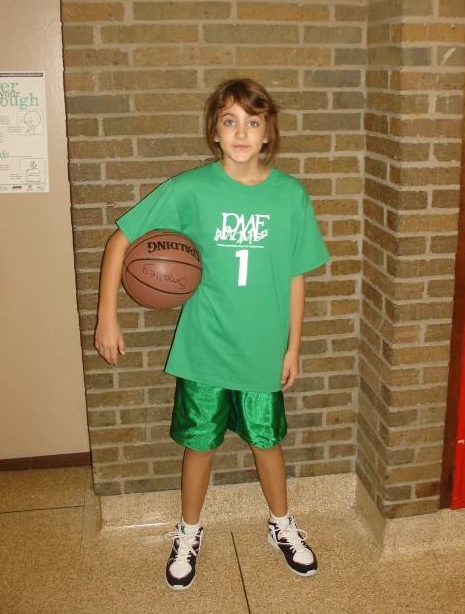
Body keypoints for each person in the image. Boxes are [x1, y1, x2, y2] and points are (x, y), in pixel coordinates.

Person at [94, 78, 330, 591]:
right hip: (204, 349)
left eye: (252, 121)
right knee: (199, 446)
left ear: (268, 133)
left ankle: (281, 525)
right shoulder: (192, 188)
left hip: (262, 351)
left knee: (266, 442)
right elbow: (121, 240)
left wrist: (293, 345)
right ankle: (189, 530)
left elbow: (296, 275)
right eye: (229, 121)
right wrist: (106, 316)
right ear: (215, 133)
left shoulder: (290, 195)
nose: (241, 131)